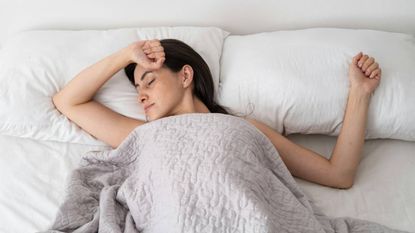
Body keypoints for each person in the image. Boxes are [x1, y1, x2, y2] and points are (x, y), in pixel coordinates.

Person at [52, 38, 381, 190]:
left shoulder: (241, 129)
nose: (141, 95)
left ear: (185, 76)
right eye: (137, 89)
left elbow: (338, 175)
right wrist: (126, 55)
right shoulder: (143, 136)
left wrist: (360, 94)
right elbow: (69, 102)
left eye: (149, 80)